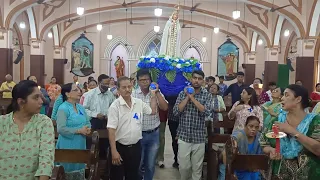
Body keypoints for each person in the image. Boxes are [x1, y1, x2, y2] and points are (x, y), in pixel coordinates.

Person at [260, 84, 320, 180]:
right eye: (283, 95)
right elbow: (264, 143)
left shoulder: (315, 121)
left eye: (286, 95)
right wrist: (270, 150)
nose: (282, 98)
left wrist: (291, 131)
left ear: (298, 99)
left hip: (308, 174)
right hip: (278, 174)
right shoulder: (277, 121)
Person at [0, 80, 55, 180]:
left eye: (40, 96)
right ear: (21, 102)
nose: (41, 101)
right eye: (36, 97)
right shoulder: (2, 123)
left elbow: (46, 160)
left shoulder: (43, 123)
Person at [107, 76, 157, 180]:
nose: (127, 89)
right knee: (117, 176)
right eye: (124, 87)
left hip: (135, 147)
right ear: (118, 89)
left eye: (129, 86)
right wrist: (114, 151)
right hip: (119, 147)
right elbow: (111, 129)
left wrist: (153, 95)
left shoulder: (138, 103)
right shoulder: (115, 106)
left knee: (133, 175)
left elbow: (152, 111)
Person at [173, 70, 212, 180]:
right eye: (195, 78)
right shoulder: (182, 93)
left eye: (199, 79)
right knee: (184, 167)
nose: (196, 81)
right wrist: (187, 97)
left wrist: (192, 98)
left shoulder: (206, 95)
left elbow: (206, 112)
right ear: (191, 79)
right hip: (184, 136)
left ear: (203, 81)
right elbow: (176, 112)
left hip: (199, 136)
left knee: (197, 168)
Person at [132, 69, 168, 180]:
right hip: (138, 134)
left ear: (150, 80)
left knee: (150, 164)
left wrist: (157, 93)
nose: (144, 82)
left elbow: (165, 107)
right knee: (138, 163)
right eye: (141, 80)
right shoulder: (133, 94)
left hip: (153, 133)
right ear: (137, 81)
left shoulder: (156, 92)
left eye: (146, 79)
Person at [55, 83, 91, 179]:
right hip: (68, 144)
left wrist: (88, 129)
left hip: (80, 143)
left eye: (79, 89)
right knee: (68, 170)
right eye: (75, 90)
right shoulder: (63, 108)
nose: (79, 91)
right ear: (67, 94)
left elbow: (87, 122)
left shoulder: (80, 107)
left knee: (79, 168)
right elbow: (61, 129)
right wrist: (79, 131)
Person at [83, 74, 115, 169]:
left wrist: (108, 115)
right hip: (93, 122)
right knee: (91, 145)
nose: (107, 86)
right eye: (105, 83)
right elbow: (84, 109)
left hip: (106, 122)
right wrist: (95, 114)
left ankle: (103, 169)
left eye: (108, 83)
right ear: (99, 83)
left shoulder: (110, 94)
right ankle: (90, 166)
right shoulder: (90, 94)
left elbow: (113, 108)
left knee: (104, 145)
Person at [219, 116, 263, 180]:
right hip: (237, 169)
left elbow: (263, 150)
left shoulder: (259, 137)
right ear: (245, 126)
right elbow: (226, 153)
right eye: (251, 126)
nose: (253, 129)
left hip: (252, 169)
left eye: (256, 127)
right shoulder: (238, 136)